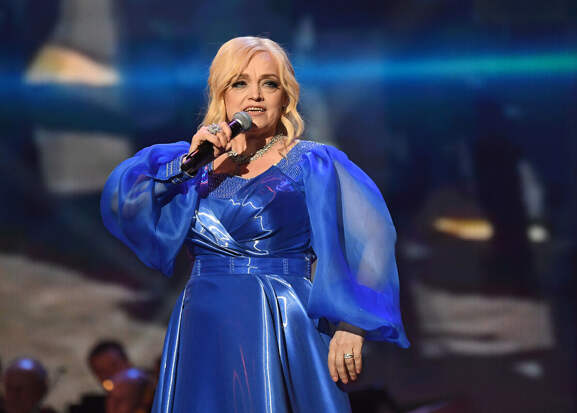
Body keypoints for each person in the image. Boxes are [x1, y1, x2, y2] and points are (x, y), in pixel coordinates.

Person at [101, 36, 409, 412]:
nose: (256, 96)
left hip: (283, 321)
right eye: (240, 83)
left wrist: (351, 323)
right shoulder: (194, 162)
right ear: (222, 93)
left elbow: (376, 237)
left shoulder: (313, 162)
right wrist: (190, 166)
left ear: (286, 96)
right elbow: (124, 202)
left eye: (270, 83)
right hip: (204, 324)